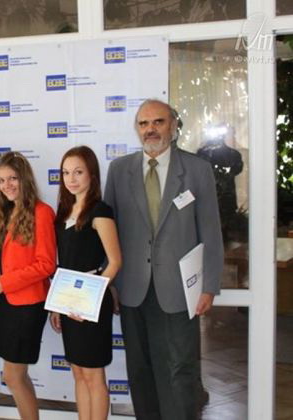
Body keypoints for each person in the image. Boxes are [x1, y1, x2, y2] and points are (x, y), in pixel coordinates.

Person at [104, 99, 224, 420]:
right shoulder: (119, 171)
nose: (151, 129)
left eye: (158, 122)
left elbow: (210, 232)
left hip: (180, 290)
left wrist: (209, 286)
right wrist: (110, 284)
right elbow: (108, 232)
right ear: (137, 129)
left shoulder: (197, 170)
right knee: (139, 369)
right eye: (144, 124)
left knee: (180, 370)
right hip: (132, 290)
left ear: (172, 125)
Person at [0, 151, 56, 420]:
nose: (7, 185)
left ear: (24, 178)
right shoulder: (4, 213)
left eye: (12, 178)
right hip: (5, 303)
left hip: (26, 305)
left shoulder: (42, 212)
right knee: (15, 375)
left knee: (13, 376)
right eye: (1, 180)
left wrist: (4, 282)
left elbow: (46, 264)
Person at [49, 145, 122, 420]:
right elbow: (63, 264)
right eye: (66, 172)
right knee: (78, 372)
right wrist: (57, 306)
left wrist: (87, 301)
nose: (71, 179)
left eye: (78, 172)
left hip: (91, 303)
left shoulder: (100, 211)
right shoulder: (63, 212)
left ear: (92, 174)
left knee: (93, 375)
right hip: (68, 301)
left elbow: (115, 262)